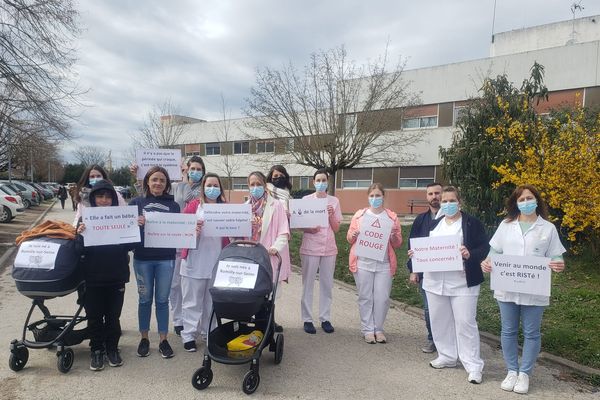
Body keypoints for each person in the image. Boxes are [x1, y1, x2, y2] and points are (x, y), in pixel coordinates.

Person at [481, 185, 566, 394]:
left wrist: (558, 263)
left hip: (534, 288)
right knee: (508, 330)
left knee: (531, 332)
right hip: (507, 287)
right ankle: (511, 371)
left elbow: (556, 255)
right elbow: (494, 251)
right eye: (521, 199)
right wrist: (487, 262)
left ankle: (525, 373)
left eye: (529, 198)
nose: (526, 202)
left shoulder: (548, 228)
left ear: (537, 200)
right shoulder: (506, 224)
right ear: (515, 203)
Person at [410, 186, 489, 385]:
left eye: (451, 201)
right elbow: (420, 246)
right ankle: (447, 355)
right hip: (435, 281)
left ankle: (473, 365)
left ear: (459, 202)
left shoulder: (471, 223)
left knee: (465, 323)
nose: (447, 204)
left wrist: (470, 254)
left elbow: (484, 247)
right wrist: (415, 257)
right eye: (444, 201)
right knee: (439, 320)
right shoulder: (434, 225)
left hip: (463, 282)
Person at [75, 181, 139, 371]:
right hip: (93, 277)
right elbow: (78, 250)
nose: (104, 200)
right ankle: (96, 350)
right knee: (94, 317)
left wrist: (135, 228)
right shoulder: (85, 220)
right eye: (100, 196)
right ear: (93, 198)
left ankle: (112, 348)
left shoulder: (121, 217)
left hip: (116, 276)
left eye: (108, 196)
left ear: (113, 199)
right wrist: (80, 234)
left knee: (113, 317)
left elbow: (130, 246)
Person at [129, 166, 180, 359]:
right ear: (147, 182)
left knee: (162, 301)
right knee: (144, 300)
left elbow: (179, 231)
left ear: (166, 185)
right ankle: (144, 338)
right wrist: (134, 223)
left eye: (162, 181)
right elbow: (125, 230)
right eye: (154, 180)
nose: (158, 183)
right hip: (142, 259)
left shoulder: (174, 205)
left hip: (165, 259)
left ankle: (163, 340)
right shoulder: (135, 203)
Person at [347, 183, 403, 344]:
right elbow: (350, 238)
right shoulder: (360, 216)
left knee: (382, 298)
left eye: (378, 195)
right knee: (365, 297)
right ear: (368, 197)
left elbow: (398, 242)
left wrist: (393, 236)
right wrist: (354, 234)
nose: (375, 199)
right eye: (372, 196)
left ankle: (378, 328)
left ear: (383, 197)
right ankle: (367, 329)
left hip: (383, 263)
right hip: (363, 262)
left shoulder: (391, 217)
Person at [179, 173, 227, 352]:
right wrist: (193, 230)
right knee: (192, 301)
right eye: (209, 185)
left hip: (216, 263)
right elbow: (180, 231)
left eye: (216, 185)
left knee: (211, 303)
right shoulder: (194, 206)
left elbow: (235, 234)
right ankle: (189, 335)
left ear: (220, 188)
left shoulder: (226, 210)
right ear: (203, 187)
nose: (212, 189)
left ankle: (209, 332)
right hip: (194, 262)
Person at [247, 171, 291, 331]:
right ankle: (260, 325)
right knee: (255, 292)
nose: (255, 187)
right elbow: (237, 234)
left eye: (259, 184)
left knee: (270, 294)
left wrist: (275, 248)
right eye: (252, 184)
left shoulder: (276, 205)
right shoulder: (245, 208)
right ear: (248, 186)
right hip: (252, 257)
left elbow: (283, 231)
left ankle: (269, 323)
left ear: (265, 185)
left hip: (270, 255)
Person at [299, 169, 342, 334]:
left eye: (324, 180)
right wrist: (309, 229)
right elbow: (299, 224)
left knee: (326, 284)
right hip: (310, 246)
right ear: (313, 182)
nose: (321, 183)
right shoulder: (306, 200)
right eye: (318, 180)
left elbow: (337, 228)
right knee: (308, 284)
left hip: (329, 248)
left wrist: (331, 216)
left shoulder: (334, 201)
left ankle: (325, 318)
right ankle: (307, 319)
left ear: (328, 182)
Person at [170, 156, 206, 337]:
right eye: (193, 168)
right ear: (186, 169)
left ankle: (196, 323)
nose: (196, 172)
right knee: (175, 284)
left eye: (199, 169)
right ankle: (178, 320)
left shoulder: (206, 189)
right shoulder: (177, 187)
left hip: (199, 242)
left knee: (194, 287)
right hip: (178, 239)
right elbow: (152, 192)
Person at [406, 182, 442, 353]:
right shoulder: (421, 220)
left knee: (448, 309)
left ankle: (450, 341)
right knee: (429, 309)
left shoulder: (454, 219)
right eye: (430, 194)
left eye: (437, 193)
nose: (434, 197)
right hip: (426, 273)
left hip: (449, 271)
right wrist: (414, 270)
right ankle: (433, 339)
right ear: (427, 197)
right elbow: (412, 245)